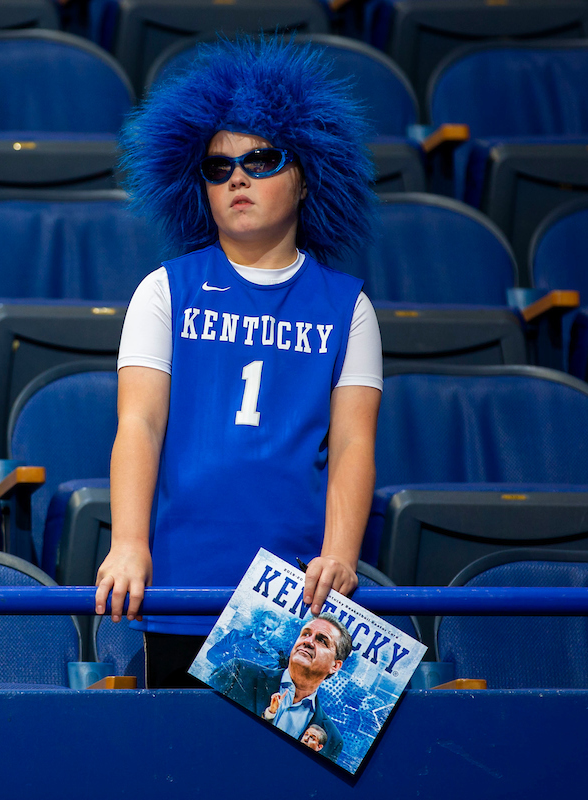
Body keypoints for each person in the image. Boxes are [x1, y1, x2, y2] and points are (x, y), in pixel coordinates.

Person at [93, 35, 383, 688]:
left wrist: (340, 554)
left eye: (261, 159)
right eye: (218, 166)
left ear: (305, 176)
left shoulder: (349, 307)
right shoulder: (164, 290)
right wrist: (129, 542)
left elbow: (353, 443)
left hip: (297, 599)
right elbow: (139, 424)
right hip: (181, 584)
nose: (238, 178)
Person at [208, 615, 353, 760]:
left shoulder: (333, 740)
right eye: (305, 634)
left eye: (321, 640)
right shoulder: (238, 673)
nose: (308, 641)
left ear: (335, 666)